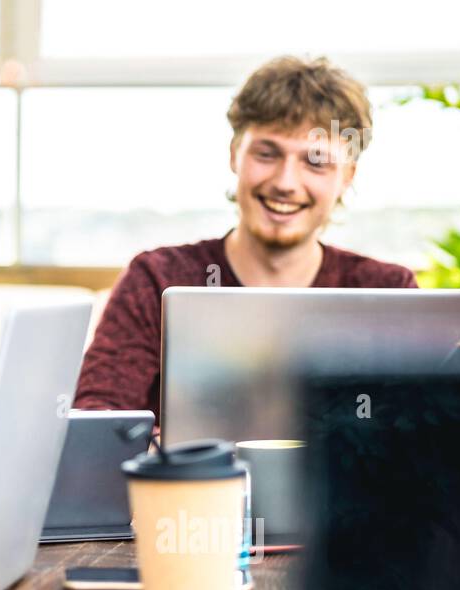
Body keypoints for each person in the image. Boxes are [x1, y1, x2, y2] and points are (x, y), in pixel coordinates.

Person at [73, 56, 417, 415]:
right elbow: (98, 415)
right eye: (267, 154)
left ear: (347, 176)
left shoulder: (388, 291)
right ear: (235, 154)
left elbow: (424, 426)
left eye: (315, 162)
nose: (285, 182)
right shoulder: (156, 279)